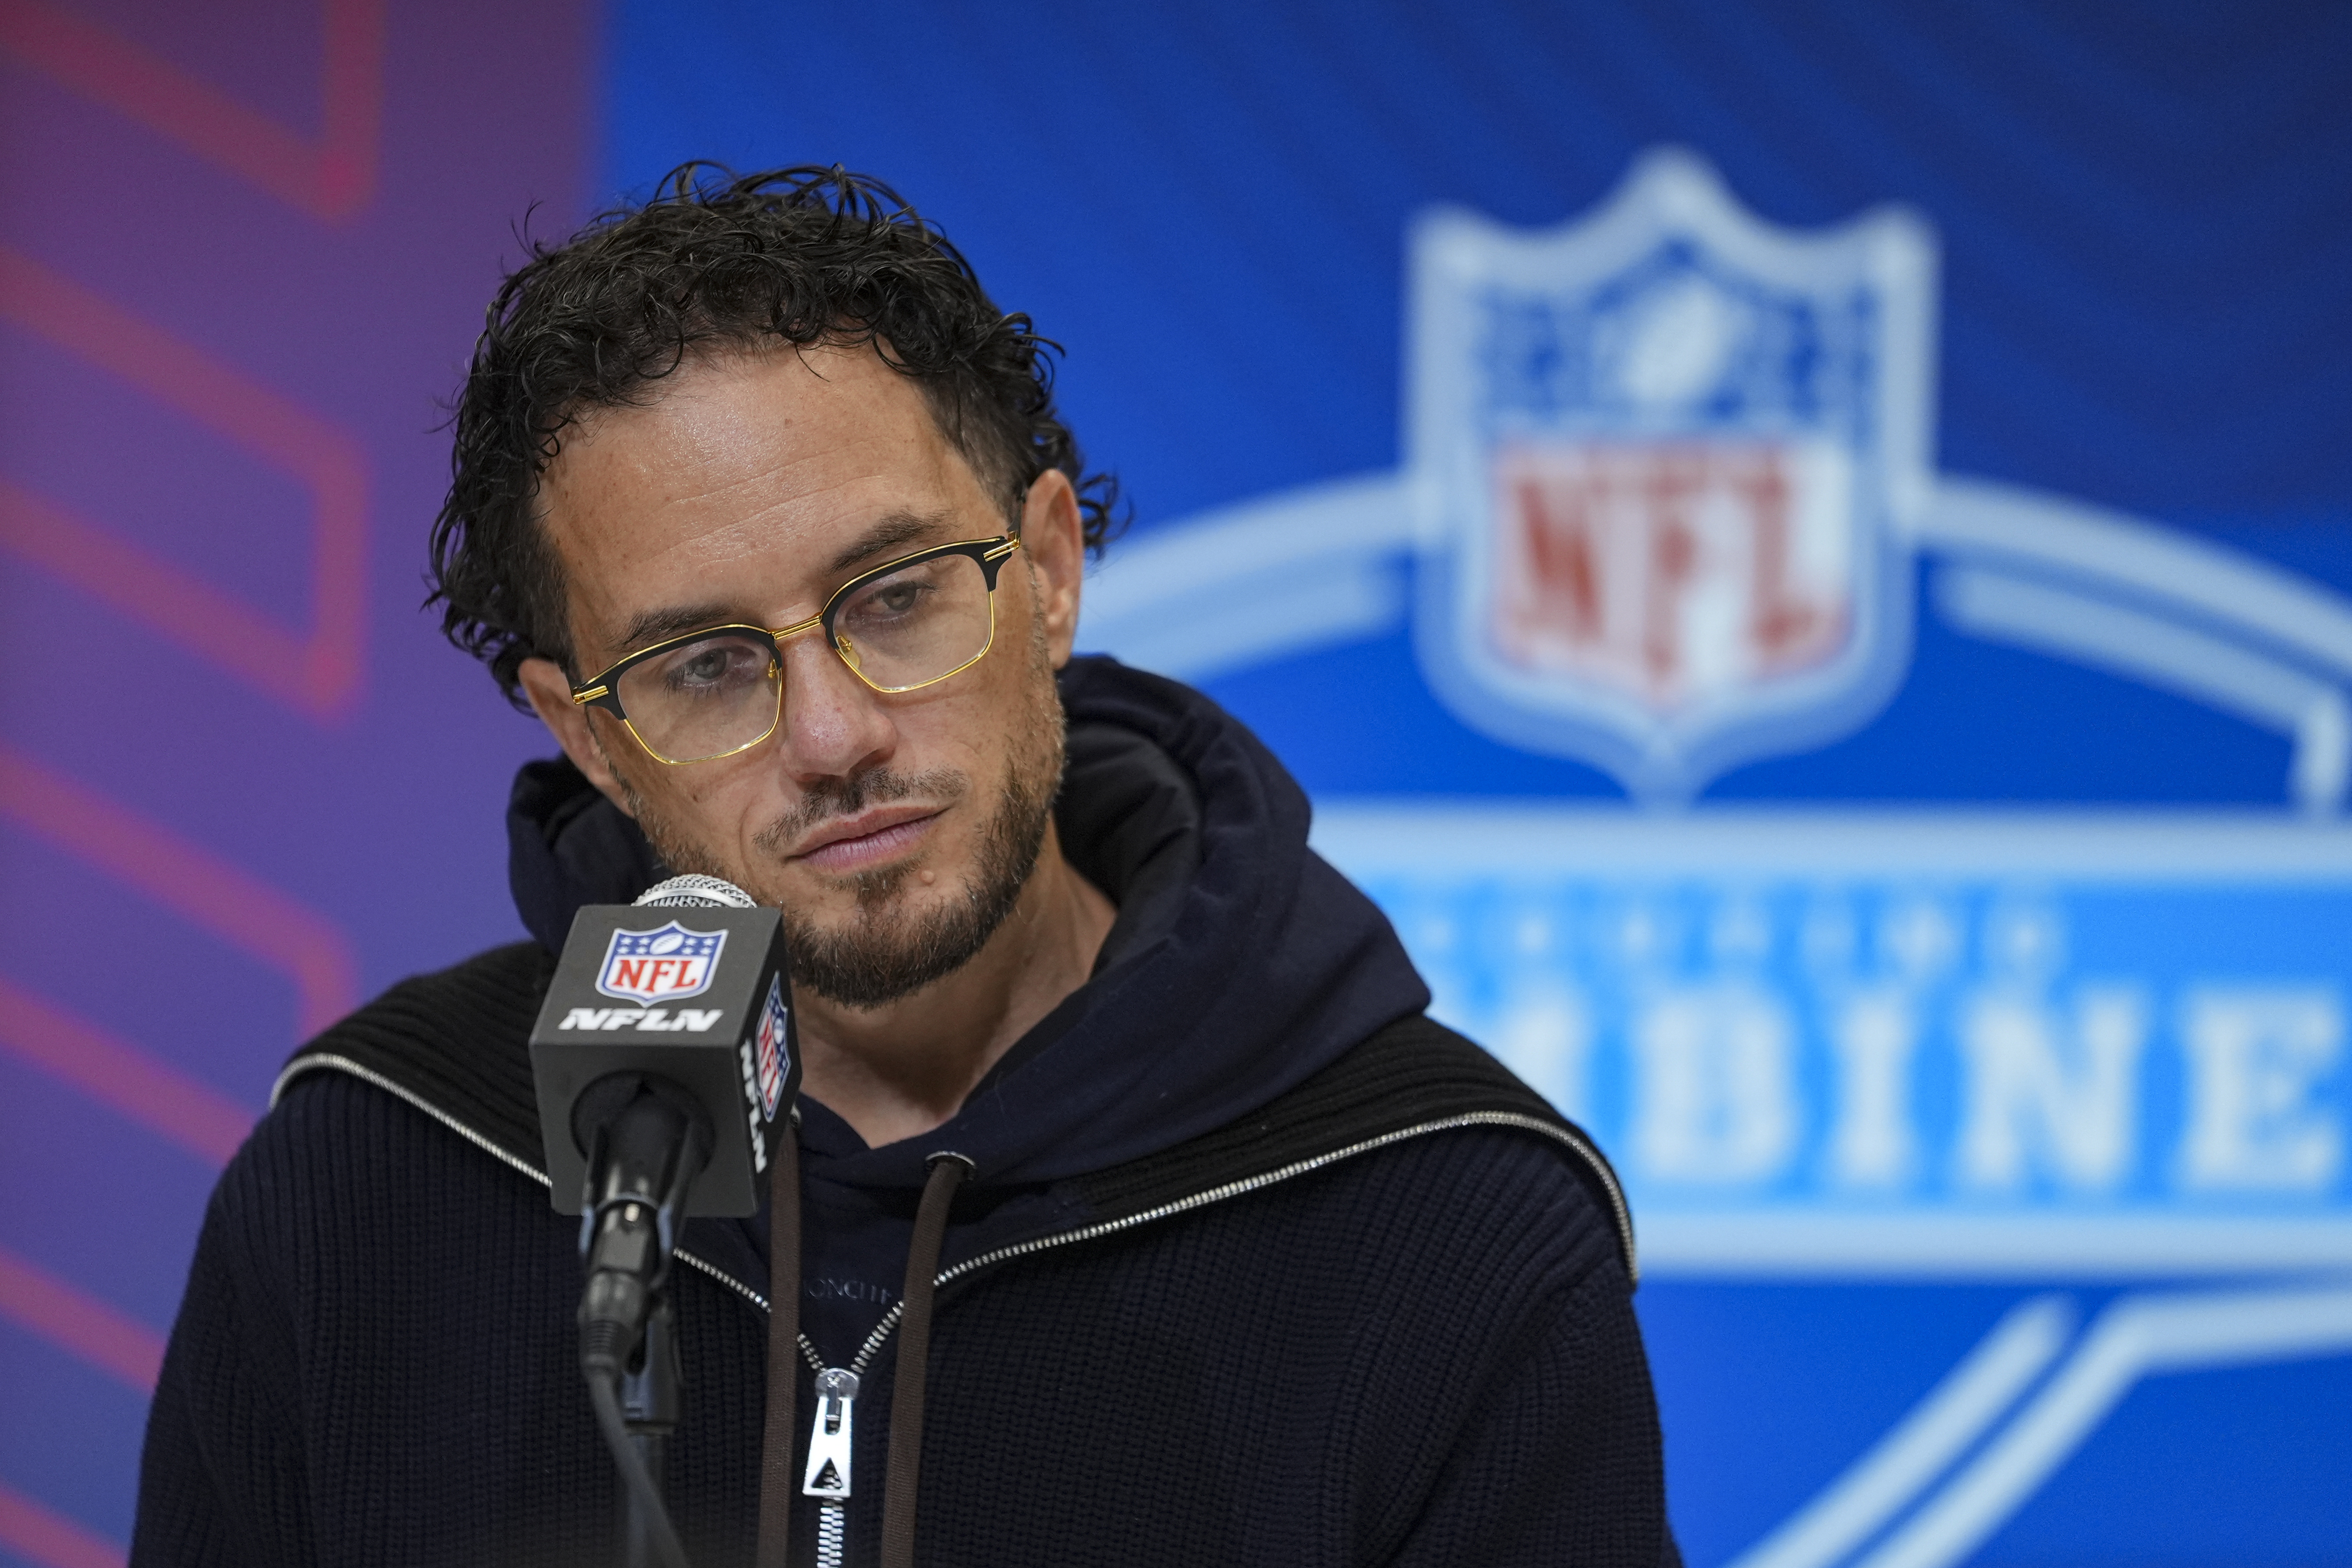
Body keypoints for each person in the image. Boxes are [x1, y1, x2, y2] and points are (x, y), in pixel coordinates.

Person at [130, 165, 1674, 1568]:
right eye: (705, 666)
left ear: (1052, 573)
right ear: (588, 735)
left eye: (895, 595)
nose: (833, 733)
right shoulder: (377, 1173)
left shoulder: (1447, 1217)